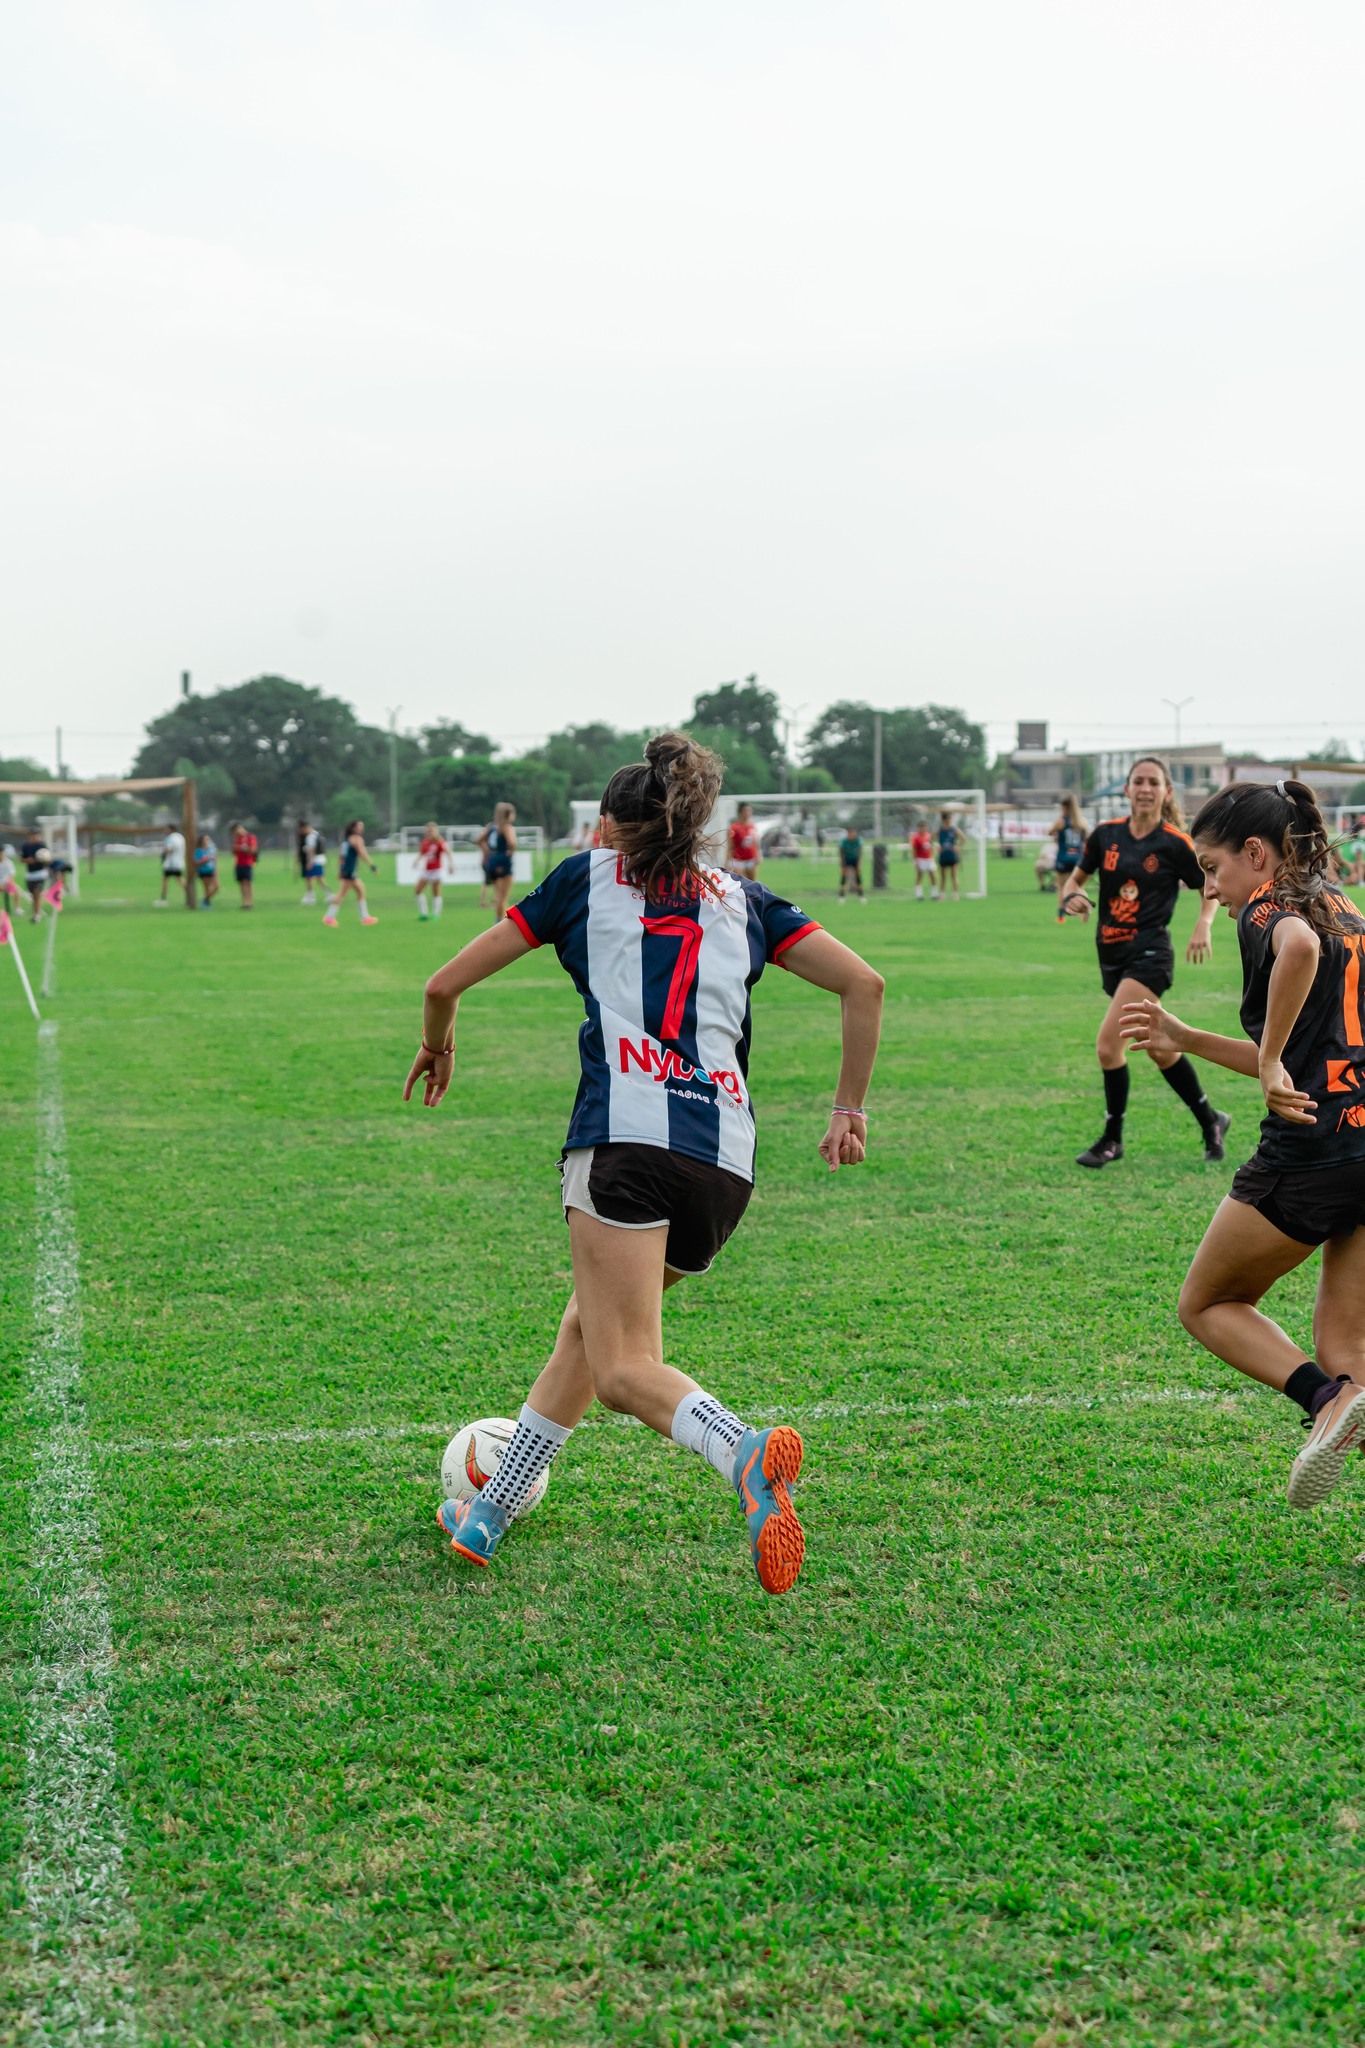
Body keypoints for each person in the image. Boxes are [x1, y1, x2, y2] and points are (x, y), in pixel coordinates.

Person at [404, 732, 884, 1595]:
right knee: (587, 1330)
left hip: (624, 1147)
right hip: (723, 1165)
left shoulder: (580, 882)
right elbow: (864, 984)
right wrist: (847, 1106)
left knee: (626, 1368)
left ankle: (740, 1452)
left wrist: (437, 1046)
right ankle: (489, 1510)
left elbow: (441, 985)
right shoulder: (745, 897)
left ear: (612, 831)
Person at [1121, 779, 1365, 1511]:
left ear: (1255, 854)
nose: (1211, 887)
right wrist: (1189, 1039)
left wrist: (1265, 1064)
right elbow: (1304, 1044)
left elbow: (1292, 954)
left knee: (1207, 1303)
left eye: (1211, 867)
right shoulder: (1344, 903)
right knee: (1351, 1357)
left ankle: (1320, 1401)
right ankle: (1338, 1395)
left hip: (1311, 1150)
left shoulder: (1271, 908)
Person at [1059, 755, 1227, 1169]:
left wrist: (1203, 925)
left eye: (1154, 781)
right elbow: (1074, 880)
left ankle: (1111, 1140)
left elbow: (1211, 885)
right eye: (1139, 781)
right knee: (1160, 1048)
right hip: (1111, 955)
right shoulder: (1104, 835)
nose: (1146, 788)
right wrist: (1070, 897)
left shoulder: (1174, 843)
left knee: (1107, 1045)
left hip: (1151, 955)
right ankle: (1211, 1119)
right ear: (1127, 789)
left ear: (1166, 792)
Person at [324, 819, 378, 927]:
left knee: (360, 890)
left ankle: (365, 917)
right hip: (349, 870)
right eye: (359, 826)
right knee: (342, 893)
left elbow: (342, 857)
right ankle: (329, 917)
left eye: (362, 827)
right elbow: (362, 853)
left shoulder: (347, 840)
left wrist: (340, 870)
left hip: (347, 869)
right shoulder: (357, 839)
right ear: (353, 828)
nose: (361, 829)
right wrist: (372, 866)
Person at [477, 802, 518, 924]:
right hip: (503, 860)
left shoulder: (491, 826)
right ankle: (500, 922)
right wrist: (511, 851)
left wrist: (487, 850)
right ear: (509, 814)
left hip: (492, 860)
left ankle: (498, 919)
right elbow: (512, 843)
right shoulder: (506, 827)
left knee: (498, 894)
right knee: (503, 896)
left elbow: (479, 840)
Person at [1051, 795, 1086, 902]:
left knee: (1062, 888)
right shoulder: (1082, 822)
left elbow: (1049, 832)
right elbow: (1086, 837)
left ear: (1064, 807)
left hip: (1063, 858)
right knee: (1079, 887)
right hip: (1078, 859)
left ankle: (1061, 916)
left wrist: (1057, 834)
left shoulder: (1061, 821)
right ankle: (1086, 909)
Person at [414, 822, 448, 920]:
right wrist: (416, 861)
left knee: (435, 892)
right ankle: (423, 913)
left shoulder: (440, 842)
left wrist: (451, 865)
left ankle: (436, 914)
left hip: (437, 870)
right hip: (427, 870)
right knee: (418, 890)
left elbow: (447, 852)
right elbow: (422, 853)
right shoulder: (425, 842)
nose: (429, 833)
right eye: (427, 830)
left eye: (431, 830)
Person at [19, 831, 50, 923]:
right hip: (30, 874)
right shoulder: (25, 846)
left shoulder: (42, 845)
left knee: (37, 893)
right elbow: (22, 859)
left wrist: (44, 859)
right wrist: (28, 860)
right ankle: (37, 911)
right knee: (33, 895)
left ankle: (37, 915)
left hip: (40, 873)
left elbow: (48, 858)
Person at [727, 803, 761, 881]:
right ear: (740, 812)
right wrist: (727, 860)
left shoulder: (753, 826)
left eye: (749, 810)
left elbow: (756, 843)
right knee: (744, 882)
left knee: (753, 883)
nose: (747, 813)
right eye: (745, 810)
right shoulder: (734, 827)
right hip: (738, 860)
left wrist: (758, 855)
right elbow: (730, 845)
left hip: (751, 859)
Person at [156, 823, 186, 906]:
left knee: (165, 880)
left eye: (166, 829)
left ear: (171, 829)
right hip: (179, 862)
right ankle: (189, 895)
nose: (164, 831)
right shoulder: (180, 837)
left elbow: (169, 849)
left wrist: (163, 855)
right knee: (180, 879)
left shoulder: (170, 838)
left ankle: (163, 898)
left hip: (171, 864)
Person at [937, 811, 964, 899]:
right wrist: (936, 847)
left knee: (954, 876)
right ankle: (942, 895)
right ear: (944, 820)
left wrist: (958, 846)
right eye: (947, 819)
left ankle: (955, 894)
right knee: (943, 877)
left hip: (952, 855)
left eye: (950, 819)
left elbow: (963, 839)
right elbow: (930, 839)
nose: (949, 821)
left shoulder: (954, 830)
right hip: (943, 855)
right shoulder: (940, 830)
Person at [231, 823, 259, 909]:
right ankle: (244, 902)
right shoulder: (237, 839)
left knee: (248, 883)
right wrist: (239, 848)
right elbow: (234, 851)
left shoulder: (250, 837)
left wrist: (241, 848)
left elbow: (253, 850)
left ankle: (250, 902)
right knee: (242, 883)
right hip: (239, 863)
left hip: (248, 863)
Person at [299, 823, 325, 906]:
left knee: (309, 878)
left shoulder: (310, 836)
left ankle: (311, 897)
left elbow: (312, 850)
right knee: (319, 878)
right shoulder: (318, 834)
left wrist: (309, 862)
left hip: (314, 860)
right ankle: (328, 894)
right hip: (320, 859)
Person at [837, 825, 864, 902]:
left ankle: (861, 895)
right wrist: (842, 863)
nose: (852, 835)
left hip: (854, 859)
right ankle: (841, 896)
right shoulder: (844, 841)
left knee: (858, 876)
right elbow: (841, 851)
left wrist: (859, 863)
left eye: (853, 833)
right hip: (846, 859)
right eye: (850, 833)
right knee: (844, 876)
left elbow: (860, 851)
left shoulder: (858, 840)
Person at [910, 822, 937, 900]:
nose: (923, 829)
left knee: (933, 876)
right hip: (920, 859)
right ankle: (919, 894)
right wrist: (915, 860)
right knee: (919, 876)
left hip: (929, 858)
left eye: (925, 827)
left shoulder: (928, 836)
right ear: (918, 828)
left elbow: (931, 846)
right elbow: (914, 850)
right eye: (921, 827)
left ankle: (934, 894)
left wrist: (933, 856)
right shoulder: (916, 837)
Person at [194, 832, 218, 908]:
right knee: (206, 888)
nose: (207, 841)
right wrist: (204, 860)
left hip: (211, 870)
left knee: (216, 887)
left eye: (208, 839)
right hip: (203, 871)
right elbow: (196, 862)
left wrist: (215, 868)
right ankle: (207, 903)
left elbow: (215, 859)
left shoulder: (211, 849)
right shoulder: (198, 850)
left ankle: (205, 899)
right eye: (206, 839)